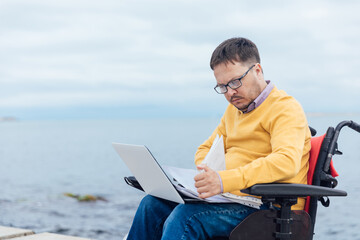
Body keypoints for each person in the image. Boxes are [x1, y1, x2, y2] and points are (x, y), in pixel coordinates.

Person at [125, 37, 311, 240]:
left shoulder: (285, 108)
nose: (230, 92)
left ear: (257, 70)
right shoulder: (234, 111)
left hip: (269, 208)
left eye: (235, 82)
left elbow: (286, 162)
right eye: (222, 87)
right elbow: (205, 149)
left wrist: (224, 180)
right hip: (230, 198)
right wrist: (208, 175)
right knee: (151, 204)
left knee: (186, 217)